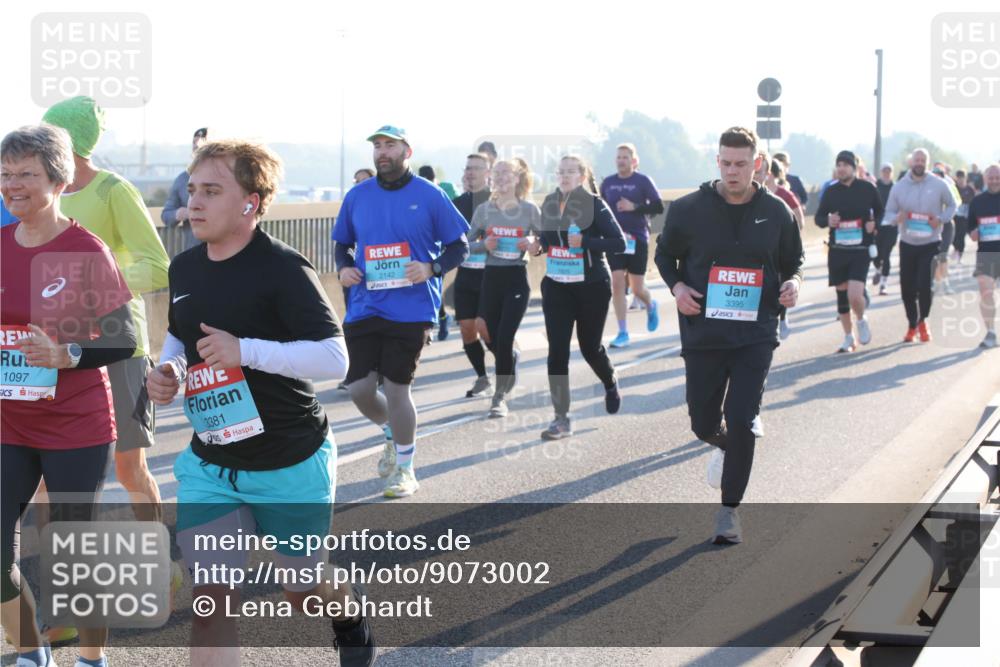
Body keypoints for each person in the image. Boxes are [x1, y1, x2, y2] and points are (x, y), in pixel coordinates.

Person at [145, 139, 375, 667]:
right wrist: (171, 370)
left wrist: (244, 350)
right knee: (211, 602)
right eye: (192, 190)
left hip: (289, 461)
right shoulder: (185, 266)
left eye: (211, 191)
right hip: (212, 461)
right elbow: (182, 337)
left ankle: (346, 614)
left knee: (301, 589)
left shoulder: (282, 268)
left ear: (250, 202)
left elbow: (334, 359)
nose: (193, 203)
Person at [2, 124, 138, 667]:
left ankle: (91, 659)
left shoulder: (84, 248)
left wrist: (67, 355)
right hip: (8, 421)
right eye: (6, 174)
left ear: (57, 180)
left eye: (26, 175)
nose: (12, 185)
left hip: (74, 423)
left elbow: (124, 336)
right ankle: (33, 652)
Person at [655, 127, 803, 544]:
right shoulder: (688, 209)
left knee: (742, 419)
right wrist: (677, 287)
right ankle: (723, 444)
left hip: (755, 334)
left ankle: (729, 511)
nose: (732, 171)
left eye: (741, 164)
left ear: (757, 164)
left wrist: (794, 283)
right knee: (702, 422)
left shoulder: (776, 212)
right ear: (716, 162)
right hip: (704, 332)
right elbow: (665, 254)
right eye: (725, 163)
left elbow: (794, 261)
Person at [333, 125, 469, 497]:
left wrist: (431, 268)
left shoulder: (430, 195)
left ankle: (405, 470)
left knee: (396, 388)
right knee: (360, 389)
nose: (382, 152)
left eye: (389, 145)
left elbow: (460, 247)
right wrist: (344, 269)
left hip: (412, 308)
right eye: (377, 146)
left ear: (406, 151)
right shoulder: (358, 196)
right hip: (365, 304)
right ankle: (393, 433)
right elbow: (342, 245)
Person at [531, 155, 625, 440]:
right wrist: (537, 246)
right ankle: (561, 418)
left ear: (582, 176)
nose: (564, 176)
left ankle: (609, 381)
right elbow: (547, 241)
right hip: (558, 286)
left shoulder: (595, 204)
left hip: (592, 285)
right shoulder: (549, 203)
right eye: (560, 172)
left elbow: (618, 242)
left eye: (571, 172)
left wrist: (587, 242)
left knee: (589, 347)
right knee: (557, 352)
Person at [468, 158, 540, 417]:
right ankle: (509, 358)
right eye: (496, 174)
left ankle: (499, 398)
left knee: (505, 335)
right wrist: (483, 245)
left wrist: (534, 242)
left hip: (516, 278)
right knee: (484, 330)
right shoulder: (485, 211)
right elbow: (467, 243)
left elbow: (544, 241)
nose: (500, 178)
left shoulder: (529, 210)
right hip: (491, 277)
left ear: (517, 178)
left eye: (506, 174)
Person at [884, 148, 957, 342]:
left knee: (925, 284)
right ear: (911, 162)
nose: (919, 163)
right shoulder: (899, 187)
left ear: (927, 163)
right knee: (907, 288)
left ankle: (923, 320)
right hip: (908, 243)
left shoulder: (939, 184)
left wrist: (940, 219)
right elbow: (888, 213)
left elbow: (953, 204)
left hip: (930, 242)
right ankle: (912, 325)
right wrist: (896, 218)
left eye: (923, 160)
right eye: (916, 160)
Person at [815, 151, 883, 352]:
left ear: (854, 167)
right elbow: (819, 218)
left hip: (860, 249)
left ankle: (861, 319)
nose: (842, 168)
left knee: (855, 295)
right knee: (842, 297)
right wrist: (828, 220)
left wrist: (874, 223)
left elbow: (880, 212)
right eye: (839, 164)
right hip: (837, 250)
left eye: (846, 164)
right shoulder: (831, 191)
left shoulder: (867, 188)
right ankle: (848, 338)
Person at [599, 143, 663, 349]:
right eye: (618, 157)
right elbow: (601, 208)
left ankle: (650, 303)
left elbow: (658, 206)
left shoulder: (642, 181)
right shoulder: (608, 183)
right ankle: (622, 331)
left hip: (637, 239)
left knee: (637, 288)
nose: (621, 161)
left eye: (625, 157)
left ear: (634, 161)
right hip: (614, 240)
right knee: (617, 283)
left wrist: (634, 207)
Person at [451, 153, 494, 397]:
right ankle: (482, 377)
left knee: (485, 328)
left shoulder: (498, 202)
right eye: (468, 168)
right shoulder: (457, 203)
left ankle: (507, 360)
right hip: (466, 273)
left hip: (492, 274)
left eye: (477, 168)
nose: (470, 172)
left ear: (488, 173)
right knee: (467, 329)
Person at [418, 164, 458, 340]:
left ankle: (437, 321)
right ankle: (440, 319)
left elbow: (458, 210)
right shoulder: (418, 191)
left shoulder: (447, 189)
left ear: (437, 180)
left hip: (445, 246)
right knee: (432, 284)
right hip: (427, 247)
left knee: (436, 282)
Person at [968, 163, 1000, 349]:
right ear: (986, 179)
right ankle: (991, 332)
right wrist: (972, 233)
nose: (995, 181)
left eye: (998, 177)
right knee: (985, 289)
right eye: (991, 178)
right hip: (986, 252)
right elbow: (970, 226)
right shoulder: (977, 201)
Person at [162, 127, 208, 251]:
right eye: (194, 143)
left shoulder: (229, 178)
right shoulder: (182, 179)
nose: (197, 147)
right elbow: (166, 215)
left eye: (202, 143)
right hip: (193, 251)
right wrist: (177, 214)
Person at [873, 163, 896, 295]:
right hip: (878, 225)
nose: (886, 173)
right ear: (881, 172)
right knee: (876, 254)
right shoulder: (875, 187)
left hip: (892, 225)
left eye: (889, 171)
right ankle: (878, 268)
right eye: (884, 171)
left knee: (886, 254)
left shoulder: (896, 187)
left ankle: (883, 284)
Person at [953, 169, 976, 265]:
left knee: (962, 235)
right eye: (958, 178)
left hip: (965, 216)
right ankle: (955, 248)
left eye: (962, 178)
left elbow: (975, 202)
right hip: (954, 215)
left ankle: (959, 255)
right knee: (954, 235)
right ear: (956, 179)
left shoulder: (970, 189)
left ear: (965, 178)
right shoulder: (953, 188)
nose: (960, 180)